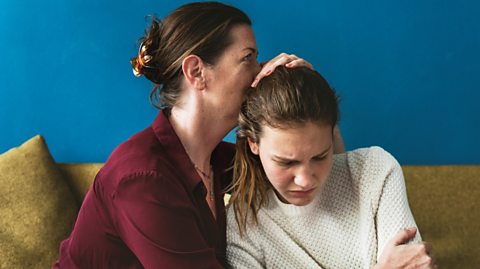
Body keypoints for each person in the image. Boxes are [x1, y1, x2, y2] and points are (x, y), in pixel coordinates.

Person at [52, 2, 333, 268]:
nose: (261, 71)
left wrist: (307, 94)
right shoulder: (142, 180)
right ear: (196, 72)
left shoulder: (217, 161)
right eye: (248, 58)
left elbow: (326, 167)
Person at [226, 66, 436, 268]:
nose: (305, 180)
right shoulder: (241, 222)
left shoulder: (374, 172)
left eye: (319, 157)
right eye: (287, 162)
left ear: (332, 134)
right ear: (253, 143)